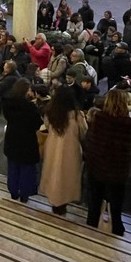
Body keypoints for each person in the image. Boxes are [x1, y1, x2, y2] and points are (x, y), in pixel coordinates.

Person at [85, 89, 131, 236]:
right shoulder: (128, 123)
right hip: (118, 168)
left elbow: (92, 140)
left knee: (94, 198)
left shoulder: (99, 117)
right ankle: (117, 228)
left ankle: (91, 224)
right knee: (116, 201)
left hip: (97, 164)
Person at [39, 85, 88, 215]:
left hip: (53, 146)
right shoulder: (77, 115)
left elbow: (47, 126)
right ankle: (63, 203)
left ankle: (54, 201)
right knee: (67, 175)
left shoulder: (50, 111)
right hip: (71, 148)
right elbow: (83, 133)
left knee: (53, 172)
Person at [2, 78, 44, 202]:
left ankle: (13, 192)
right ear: (26, 91)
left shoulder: (7, 103)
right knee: (26, 170)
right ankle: (24, 195)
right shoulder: (30, 107)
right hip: (27, 141)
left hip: (12, 138)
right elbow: (37, 124)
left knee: (13, 168)